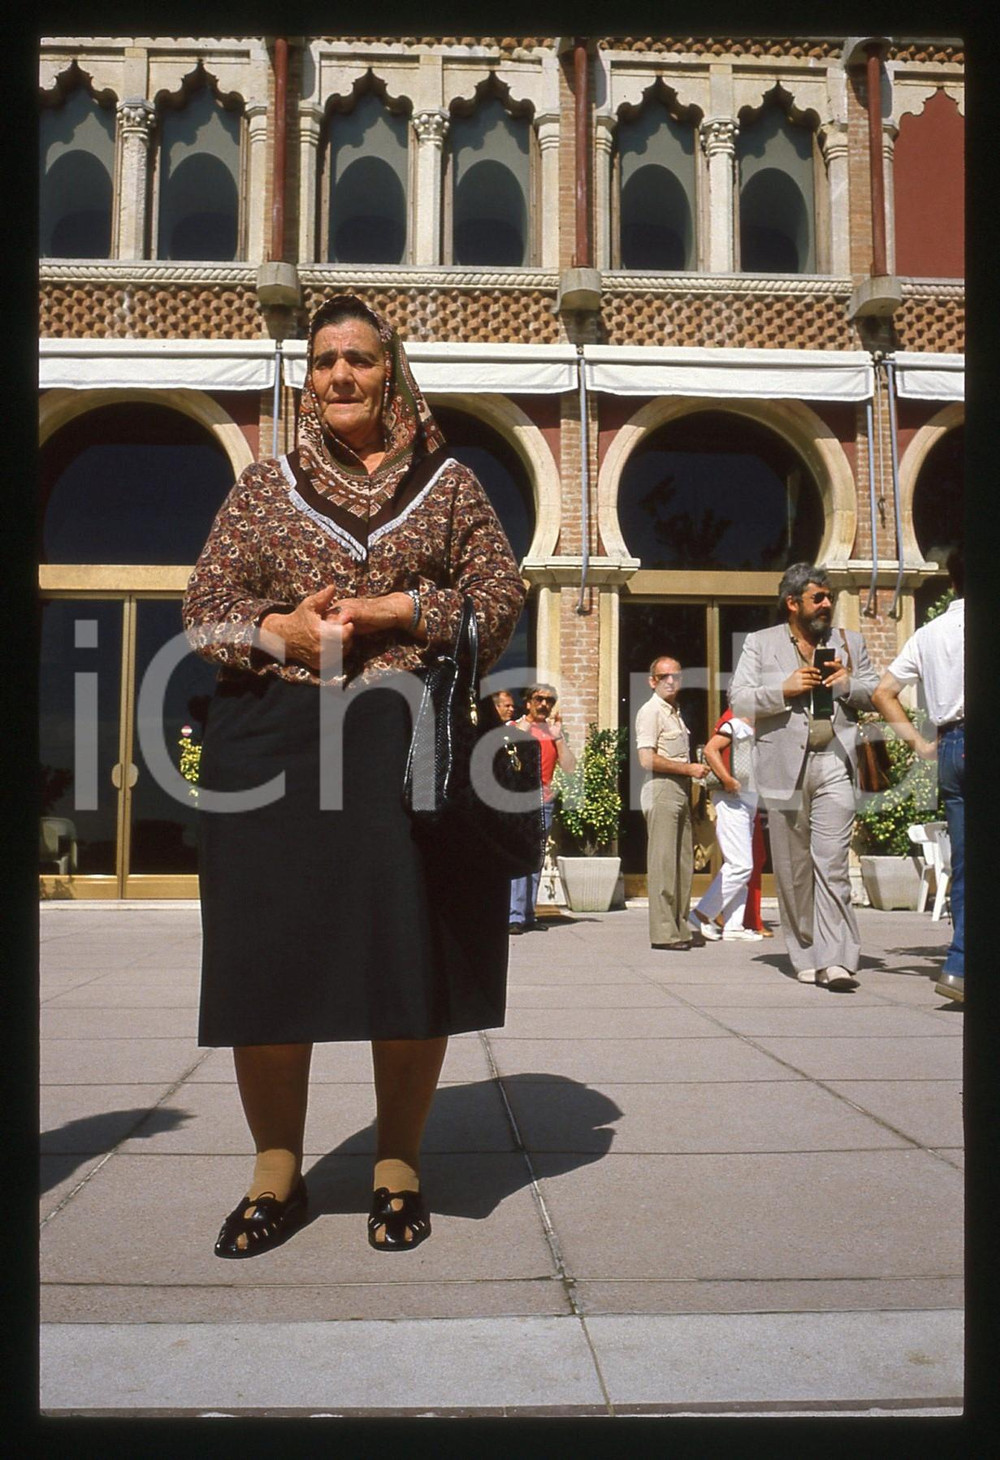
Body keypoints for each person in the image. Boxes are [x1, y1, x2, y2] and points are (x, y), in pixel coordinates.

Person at [182, 294, 525, 1256]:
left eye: (360, 360)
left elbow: (500, 596)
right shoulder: (262, 488)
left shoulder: (451, 484)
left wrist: (395, 611)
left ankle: (397, 1167)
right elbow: (203, 607)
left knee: (407, 949)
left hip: (402, 746)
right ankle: (275, 1174)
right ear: (308, 375)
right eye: (326, 359)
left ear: (391, 372)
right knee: (267, 955)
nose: (341, 374)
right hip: (272, 743)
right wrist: (276, 630)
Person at [729, 564, 878, 989]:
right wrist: (785, 689)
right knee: (794, 869)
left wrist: (848, 683)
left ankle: (838, 959)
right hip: (783, 765)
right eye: (818, 598)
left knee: (831, 863)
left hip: (834, 760)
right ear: (793, 603)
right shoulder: (760, 644)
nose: (827, 604)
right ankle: (806, 952)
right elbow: (739, 699)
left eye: (829, 597)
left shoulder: (850, 642)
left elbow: (877, 692)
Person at [872, 548, 964, 1004]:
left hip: (951, 744)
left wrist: (921, 745)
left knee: (964, 863)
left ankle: (961, 964)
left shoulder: (929, 633)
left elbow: (884, 692)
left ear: (952, 583)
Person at [635, 656, 710, 949]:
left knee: (682, 862)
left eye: (676, 676)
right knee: (664, 862)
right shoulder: (651, 711)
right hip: (662, 787)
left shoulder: (674, 712)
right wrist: (688, 769)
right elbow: (646, 759)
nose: (671, 681)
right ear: (652, 681)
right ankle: (664, 933)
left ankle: (680, 927)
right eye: (664, 676)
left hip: (680, 788)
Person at [688, 710, 763, 942]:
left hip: (747, 802)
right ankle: (701, 914)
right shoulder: (735, 725)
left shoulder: (755, 727)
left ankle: (734, 926)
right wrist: (727, 779)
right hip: (732, 801)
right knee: (741, 865)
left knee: (739, 865)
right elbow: (711, 750)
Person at [508, 682, 575, 933]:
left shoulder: (554, 732)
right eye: (538, 699)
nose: (544, 704)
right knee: (517, 854)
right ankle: (513, 915)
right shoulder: (515, 728)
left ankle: (528, 914)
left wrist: (558, 738)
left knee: (534, 857)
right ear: (528, 702)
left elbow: (569, 767)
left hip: (543, 800)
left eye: (549, 701)